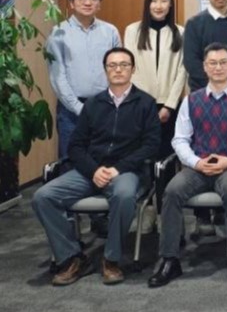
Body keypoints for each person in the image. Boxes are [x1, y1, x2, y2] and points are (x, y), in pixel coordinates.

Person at [32, 47, 160, 286]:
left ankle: (111, 259)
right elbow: (76, 146)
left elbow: (151, 145)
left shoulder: (146, 103)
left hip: (125, 171)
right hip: (90, 170)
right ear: (105, 70)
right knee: (43, 196)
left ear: (133, 69)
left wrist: (118, 168)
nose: (118, 69)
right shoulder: (93, 104)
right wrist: (93, 170)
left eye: (124, 65)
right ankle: (72, 257)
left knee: (124, 195)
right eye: (112, 65)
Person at [148, 42, 227, 288]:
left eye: (223, 62)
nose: (218, 67)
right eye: (213, 63)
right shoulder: (191, 100)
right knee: (171, 191)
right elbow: (180, 139)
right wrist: (196, 162)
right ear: (204, 67)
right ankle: (169, 259)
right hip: (197, 166)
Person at [46, 0, 122, 158]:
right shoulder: (58, 32)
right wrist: (78, 107)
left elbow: (119, 69)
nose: (88, 3)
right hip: (71, 111)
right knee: (71, 160)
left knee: (105, 160)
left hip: (106, 107)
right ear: (72, 3)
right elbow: (57, 76)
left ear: (99, 4)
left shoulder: (110, 31)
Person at [124, 0, 186, 159]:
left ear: (170, 4)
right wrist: (143, 103)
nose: (159, 6)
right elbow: (130, 67)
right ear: (147, 4)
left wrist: (169, 105)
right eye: (154, 1)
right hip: (139, 104)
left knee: (166, 155)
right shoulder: (132, 30)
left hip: (169, 105)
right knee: (140, 153)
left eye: (164, 1)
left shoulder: (180, 32)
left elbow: (182, 71)